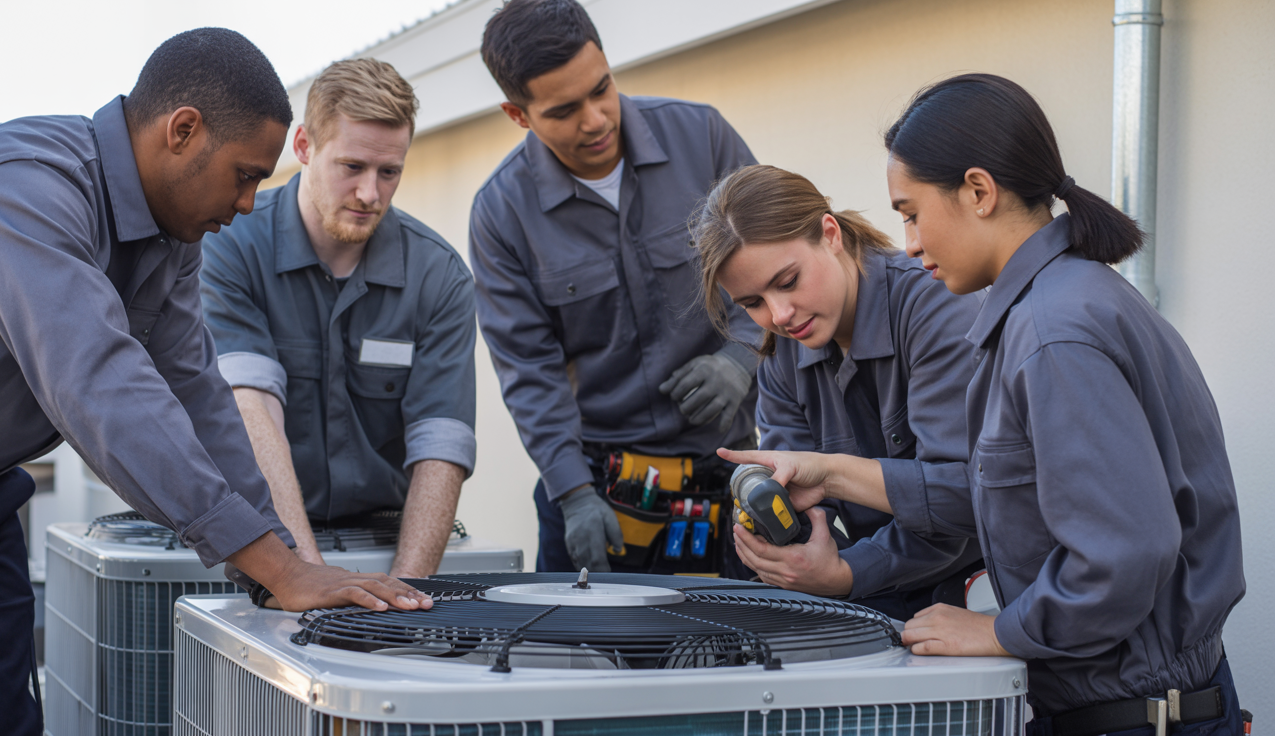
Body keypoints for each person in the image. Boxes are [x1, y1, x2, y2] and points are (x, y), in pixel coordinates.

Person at [725, 73, 1246, 734]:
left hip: (1137, 717)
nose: (908, 242)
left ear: (978, 191)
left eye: (911, 212)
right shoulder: (1056, 305)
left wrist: (1000, 629)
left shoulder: (1054, 333)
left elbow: (1123, 554)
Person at [0, 29, 430, 736]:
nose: (248, 204)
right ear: (182, 131)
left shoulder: (173, 235)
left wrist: (281, 562)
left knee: (0, 719)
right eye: (244, 175)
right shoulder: (21, 186)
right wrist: (277, 565)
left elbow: (196, 391)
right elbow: (101, 386)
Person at [470, 0, 761, 575]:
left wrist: (743, 353)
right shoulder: (501, 213)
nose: (597, 119)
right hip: (596, 491)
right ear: (518, 114)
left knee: (737, 657)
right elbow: (530, 372)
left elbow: (777, 261)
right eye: (564, 109)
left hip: (726, 468)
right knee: (584, 661)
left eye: (602, 88)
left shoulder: (703, 137)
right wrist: (573, 494)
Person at [201, 59, 475, 579]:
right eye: (352, 167)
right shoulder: (230, 247)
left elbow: (440, 444)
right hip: (263, 543)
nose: (371, 194)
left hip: (386, 540)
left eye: (389, 172)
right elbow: (251, 407)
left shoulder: (440, 278)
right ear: (304, 147)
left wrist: (404, 595)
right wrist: (307, 576)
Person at [693, 164, 982, 620]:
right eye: (752, 303)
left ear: (830, 233)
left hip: (982, 596)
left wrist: (847, 566)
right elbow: (799, 505)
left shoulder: (936, 308)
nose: (780, 315)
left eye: (787, 281)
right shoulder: (782, 354)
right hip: (872, 593)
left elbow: (964, 500)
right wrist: (785, 547)